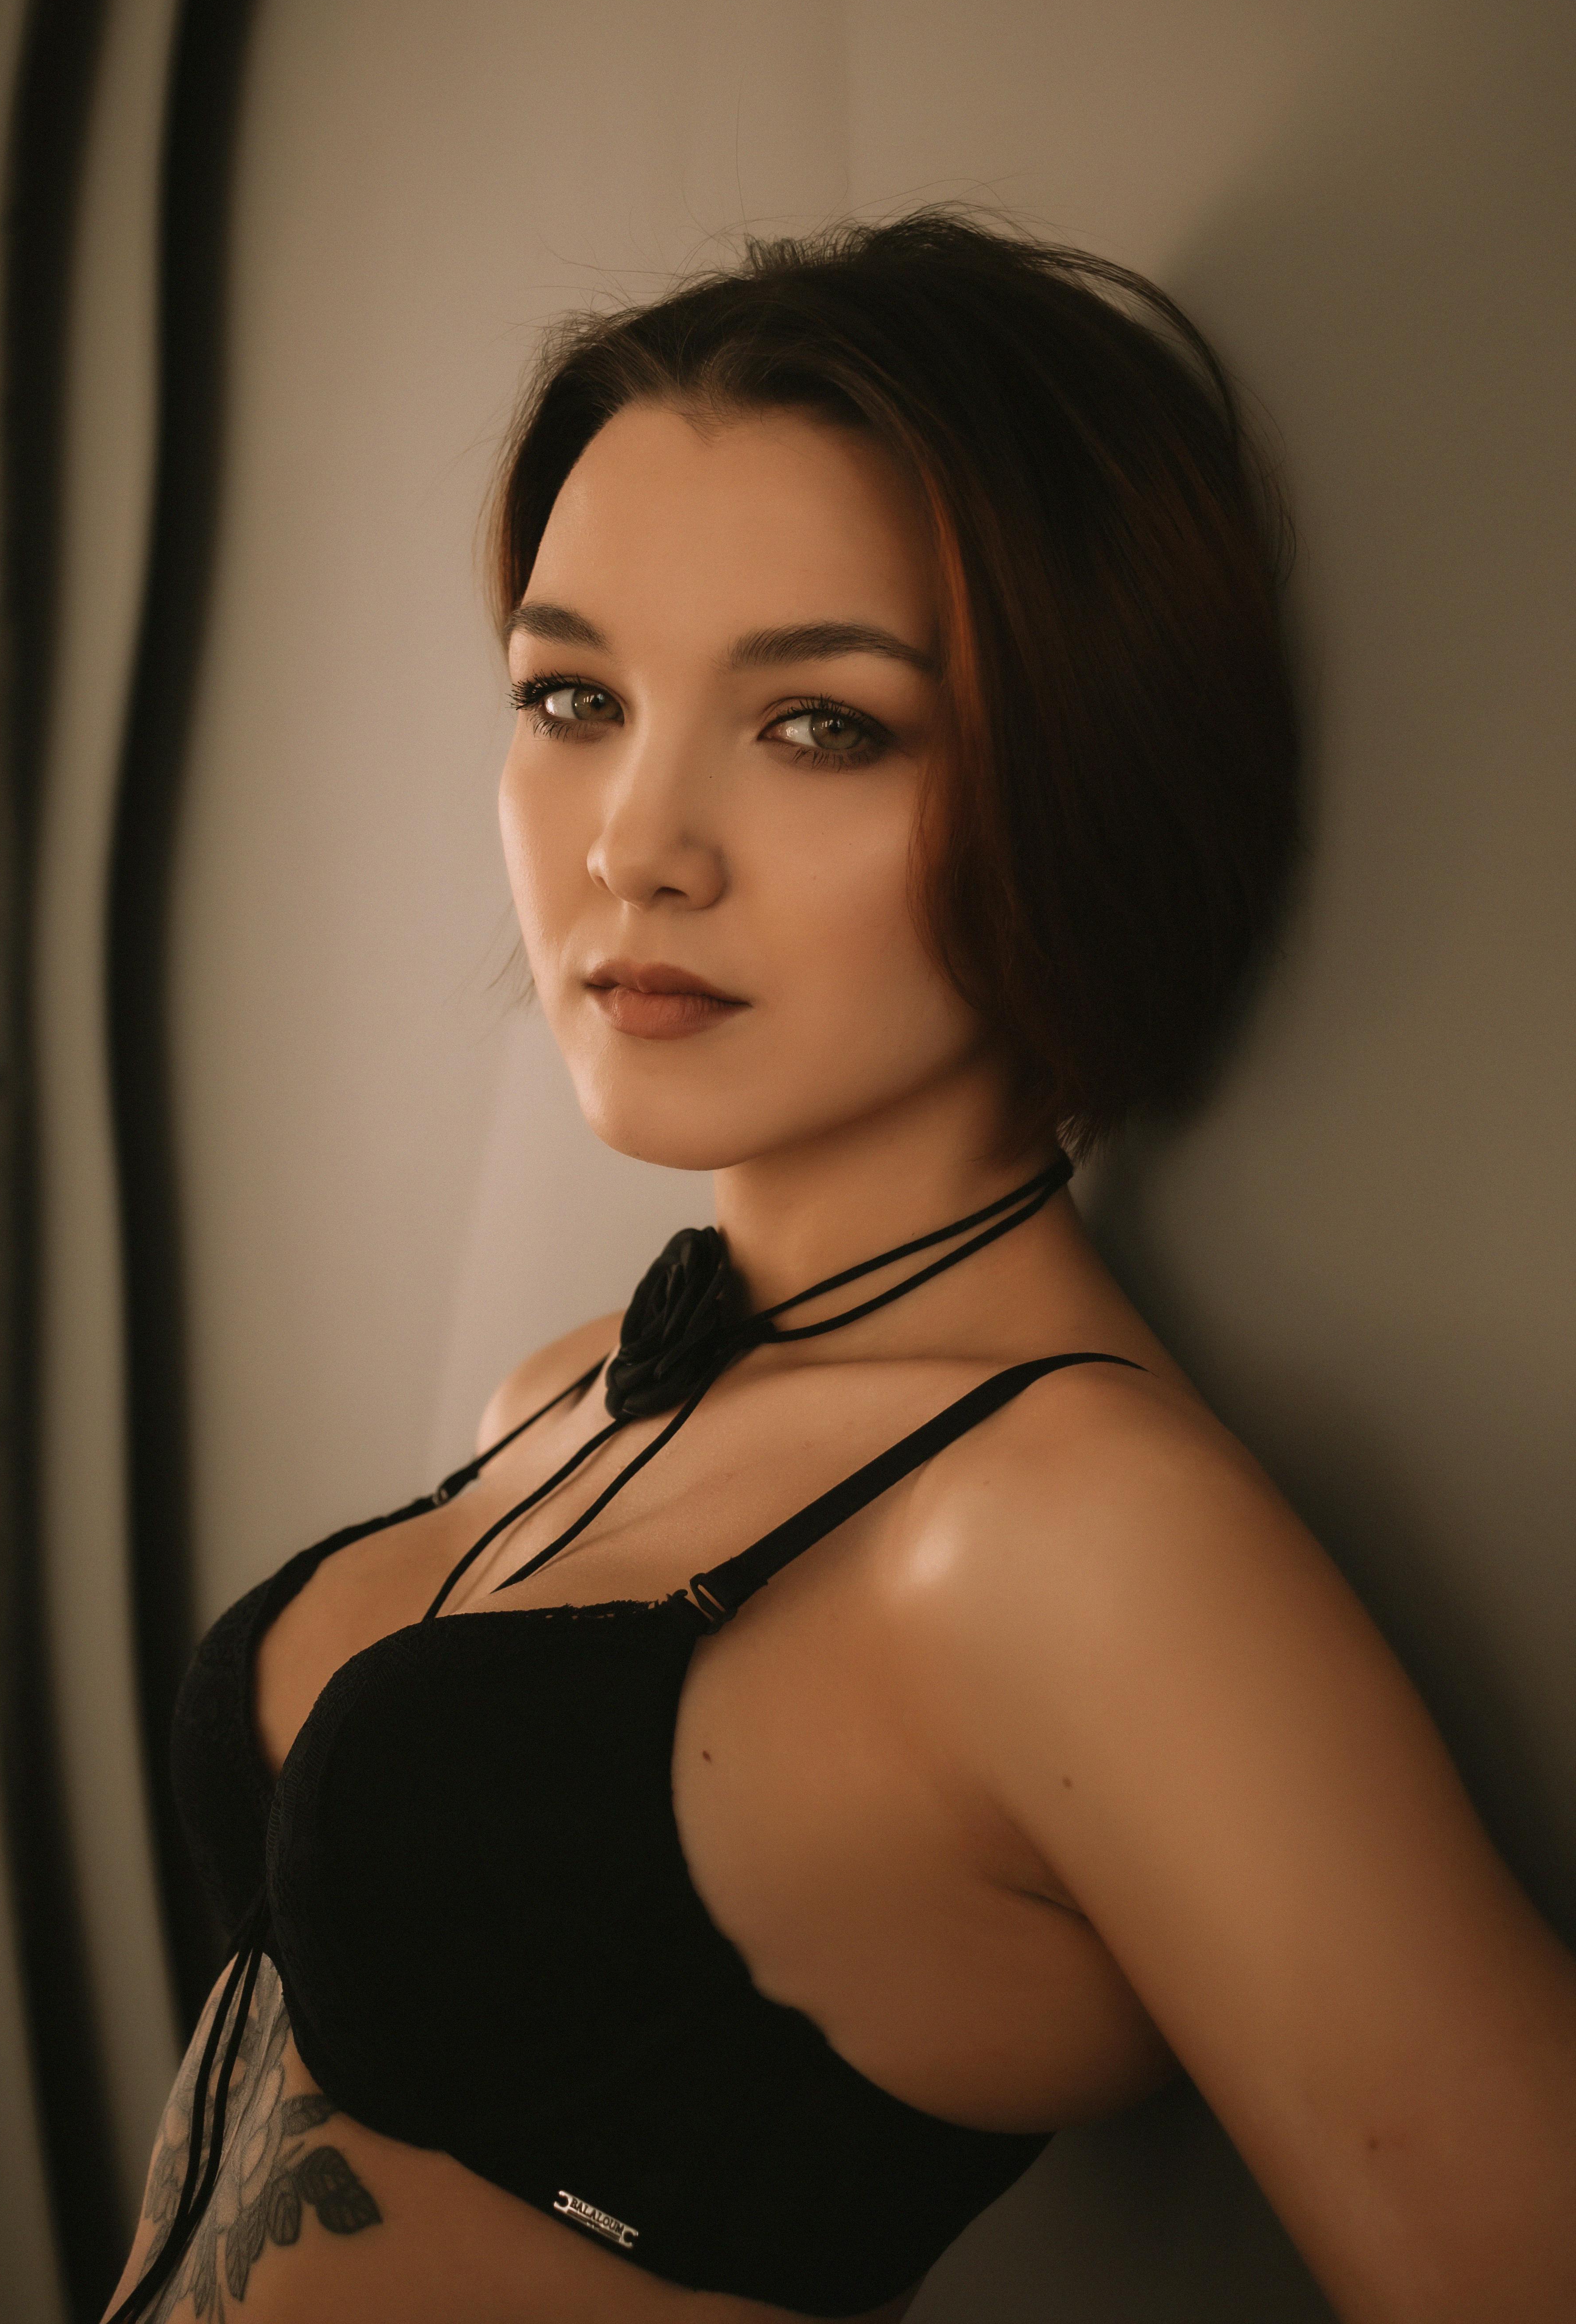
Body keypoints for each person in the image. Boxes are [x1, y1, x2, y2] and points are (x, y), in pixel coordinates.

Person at [105, 214, 1576, 2324]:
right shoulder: (576, 1393)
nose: (634, 841)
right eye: (570, 695)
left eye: (819, 727)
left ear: (1081, 772)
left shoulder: (1069, 1540)